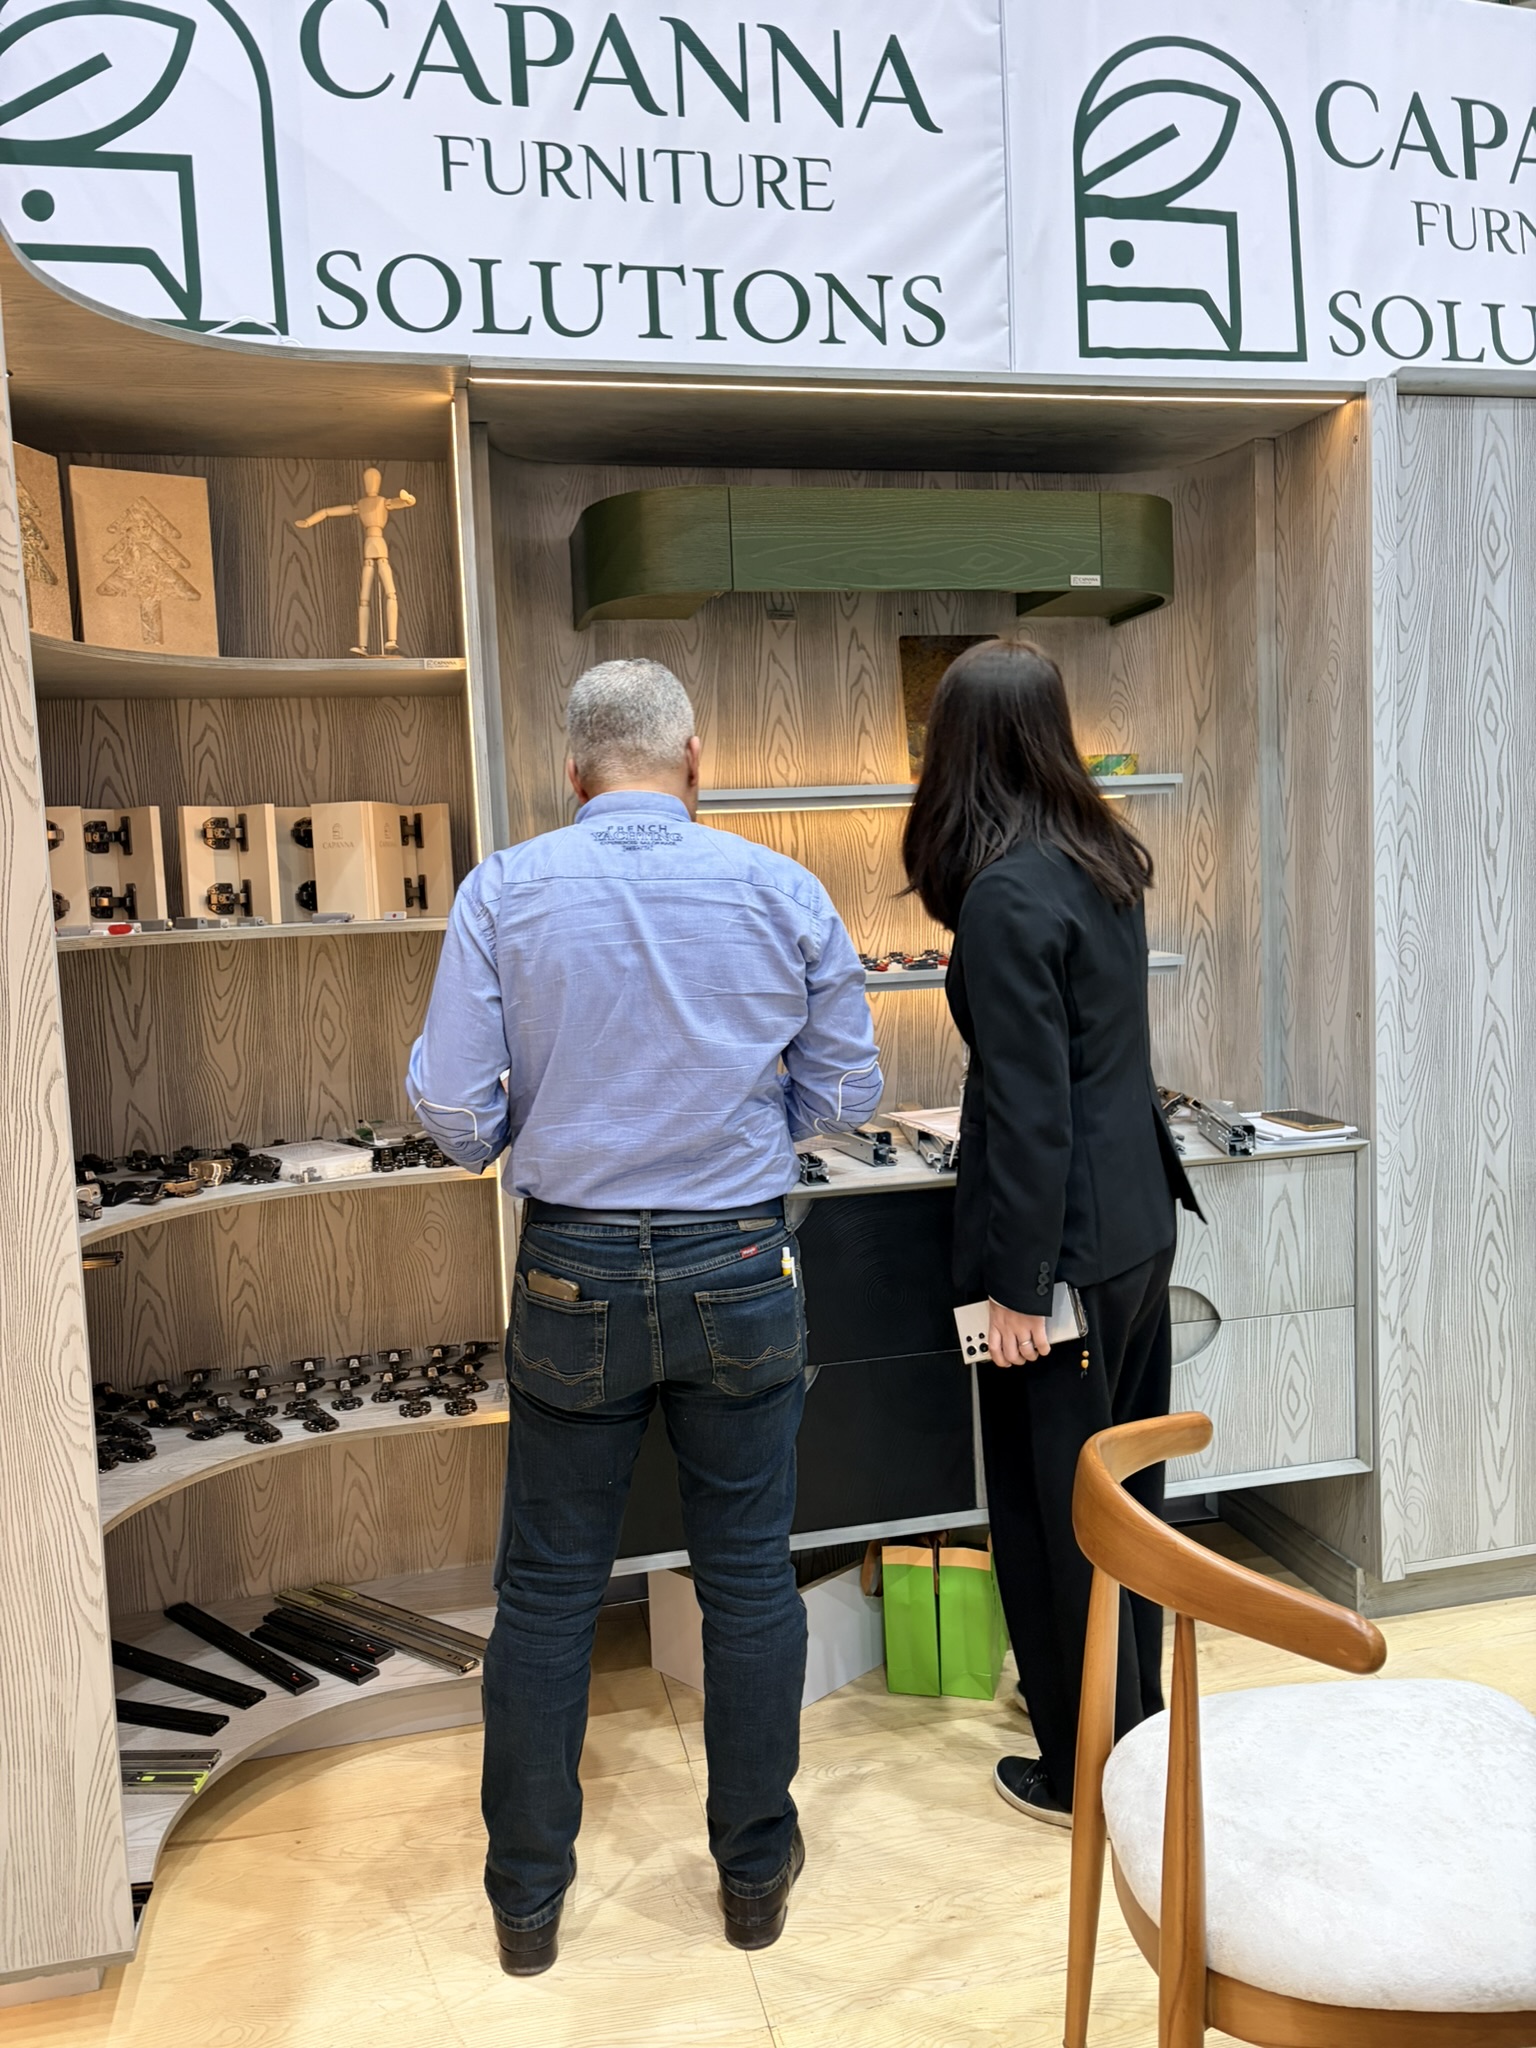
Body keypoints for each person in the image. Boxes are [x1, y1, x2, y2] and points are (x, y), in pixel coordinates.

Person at [407, 657, 883, 1975]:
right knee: (749, 1577)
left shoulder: (504, 890)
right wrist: (753, 1123)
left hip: (572, 1269)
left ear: (572, 770)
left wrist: (532, 1121)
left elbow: (453, 1112)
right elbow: (847, 1089)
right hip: (741, 1257)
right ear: (694, 760)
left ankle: (526, 1903)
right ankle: (753, 1877)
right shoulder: (781, 887)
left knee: (549, 1591)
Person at [901, 638, 1199, 1829]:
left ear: (955, 754)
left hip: (1058, 1254)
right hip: (1135, 1226)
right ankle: (1135, 1732)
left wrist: (1018, 1286)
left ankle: (1086, 1773)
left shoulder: (1005, 894)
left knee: (1051, 1514)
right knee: (1127, 1502)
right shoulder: (1103, 861)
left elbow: (1031, 1111)